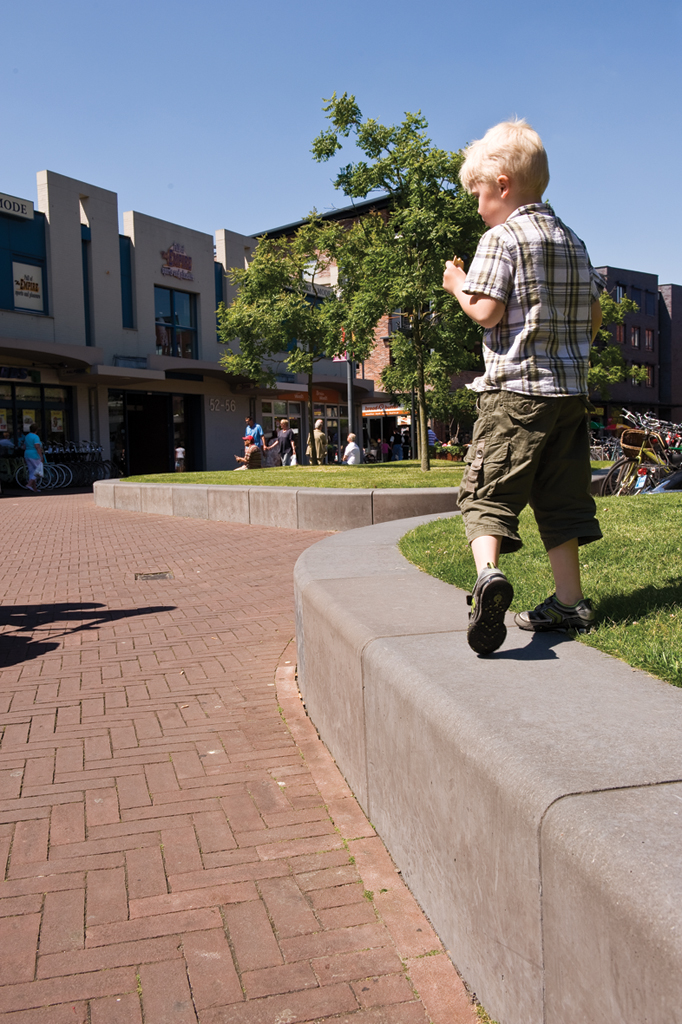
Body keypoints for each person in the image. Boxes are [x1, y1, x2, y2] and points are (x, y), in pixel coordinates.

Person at [442, 118, 604, 656]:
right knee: (561, 500)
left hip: (515, 392)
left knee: (487, 492)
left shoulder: (501, 237)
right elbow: (595, 318)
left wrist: (457, 286)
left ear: (503, 185)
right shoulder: (573, 240)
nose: (478, 205)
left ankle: (488, 575)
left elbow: (487, 312)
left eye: (479, 195)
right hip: (570, 397)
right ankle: (570, 601)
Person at [23, 422, 44, 492]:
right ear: (36, 430)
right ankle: (29, 484)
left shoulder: (27, 436)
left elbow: (24, 446)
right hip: (34, 455)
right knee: (38, 471)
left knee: (32, 471)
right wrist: (41, 456)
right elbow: (37, 447)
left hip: (27, 454)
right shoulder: (35, 437)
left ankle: (34, 488)